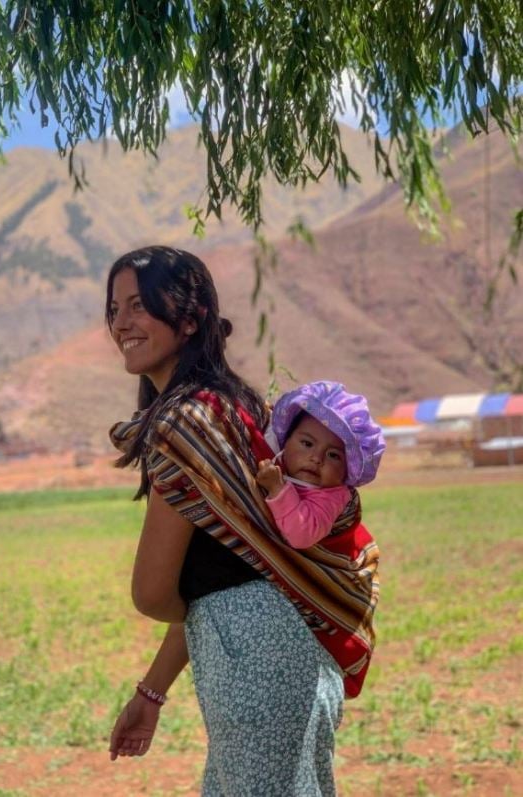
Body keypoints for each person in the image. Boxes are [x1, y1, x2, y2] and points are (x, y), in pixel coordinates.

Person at [105, 246, 377, 796]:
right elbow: (230, 572)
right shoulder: (235, 410)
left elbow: (155, 592)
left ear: (189, 317)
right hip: (288, 652)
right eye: (114, 308)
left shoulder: (187, 424)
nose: (121, 322)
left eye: (139, 305)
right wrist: (152, 692)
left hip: (256, 657)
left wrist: (221, 611)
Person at [256, 381, 385, 549]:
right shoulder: (274, 457)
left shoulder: (331, 496)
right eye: (307, 444)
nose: (317, 458)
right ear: (286, 441)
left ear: (346, 471)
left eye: (333, 455)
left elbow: (302, 535)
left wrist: (277, 488)